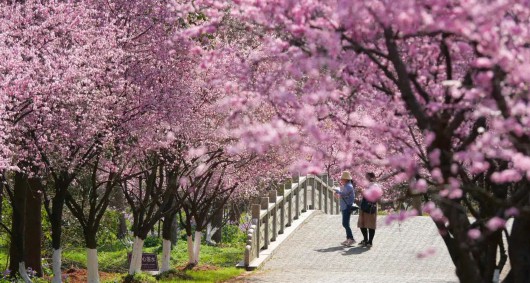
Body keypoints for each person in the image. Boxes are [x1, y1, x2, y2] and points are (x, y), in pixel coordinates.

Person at [334, 171, 356, 246]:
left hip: (347, 207)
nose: (341, 180)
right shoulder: (346, 185)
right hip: (345, 206)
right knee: (345, 223)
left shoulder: (348, 186)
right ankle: (349, 238)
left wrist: (337, 191)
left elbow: (343, 194)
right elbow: (342, 195)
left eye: (342, 179)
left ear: (346, 179)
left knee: (345, 223)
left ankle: (351, 238)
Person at [358, 172, 378, 247]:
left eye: (367, 177)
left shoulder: (374, 185)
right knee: (362, 224)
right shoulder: (369, 185)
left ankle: (369, 241)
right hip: (365, 206)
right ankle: (366, 240)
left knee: (369, 225)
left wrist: (362, 192)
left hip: (370, 207)